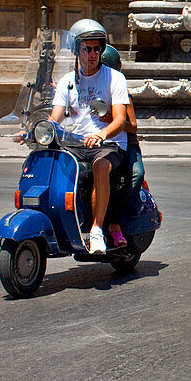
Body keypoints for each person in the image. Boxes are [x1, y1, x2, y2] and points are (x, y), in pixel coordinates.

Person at [49, 19, 129, 255]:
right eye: (87, 49)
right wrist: (37, 129)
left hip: (110, 144)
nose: (93, 54)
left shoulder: (114, 78)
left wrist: (102, 134)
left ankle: (96, 230)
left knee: (100, 166)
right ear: (77, 51)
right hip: (76, 143)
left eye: (97, 49)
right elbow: (56, 117)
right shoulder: (67, 82)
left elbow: (120, 119)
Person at [100, 45, 140, 250]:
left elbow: (133, 127)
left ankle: (119, 220)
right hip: (100, 144)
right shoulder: (91, 90)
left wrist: (116, 120)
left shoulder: (122, 92)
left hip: (126, 144)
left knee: (135, 174)